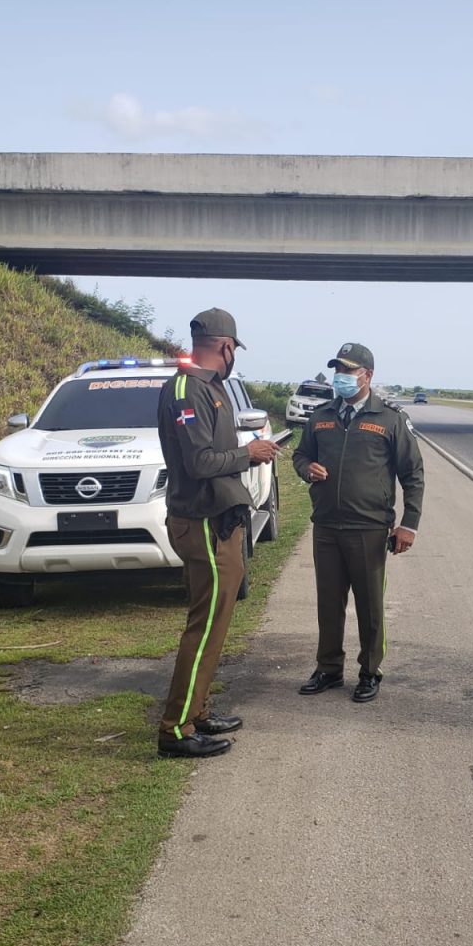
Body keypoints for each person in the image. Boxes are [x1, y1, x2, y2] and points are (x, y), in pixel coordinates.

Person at [155, 308, 280, 758]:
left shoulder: (210, 388)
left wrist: (248, 453)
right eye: (234, 351)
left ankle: (197, 711)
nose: (233, 358)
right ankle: (175, 730)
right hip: (202, 523)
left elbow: (214, 453)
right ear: (226, 347)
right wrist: (250, 453)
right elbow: (199, 462)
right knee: (204, 628)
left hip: (219, 521)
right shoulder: (188, 391)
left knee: (215, 624)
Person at [292, 342, 425, 702]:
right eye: (338, 370)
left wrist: (408, 524)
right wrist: (307, 469)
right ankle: (329, 668)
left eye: (349, 371)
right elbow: (301, 454)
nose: (341, 377)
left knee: (369, 606)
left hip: (368, 527)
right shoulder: (321, 416)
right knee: (328, 603)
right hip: (327, 526)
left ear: (367, 375)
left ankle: (370, 671)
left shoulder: (390, 420)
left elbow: (412, 474)